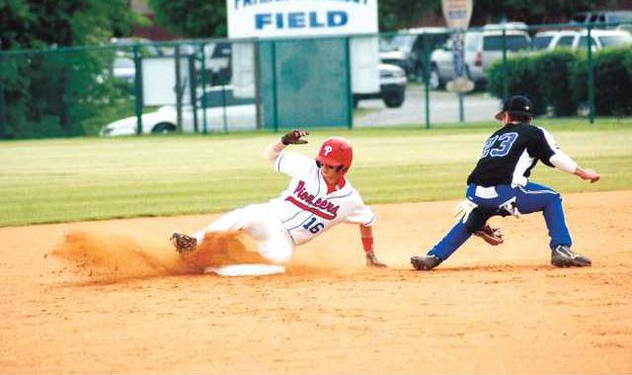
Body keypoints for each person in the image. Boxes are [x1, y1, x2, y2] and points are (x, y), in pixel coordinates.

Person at [411, 95, 600, 271]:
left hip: (474, 193)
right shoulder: (535, 132)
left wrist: (481, 218)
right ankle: (561, 248)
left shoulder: (495, 136)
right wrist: (583, 173)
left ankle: (433, 256)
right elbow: (555, 157)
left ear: (507, 116)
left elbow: (490, 168)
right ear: (529, 117)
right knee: (552, 198)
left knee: (472, 219)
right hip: (506, 193)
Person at [171, 129, 387, 272]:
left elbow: (367, 222)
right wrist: (283, 142)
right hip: (270, 217)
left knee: (277, 266)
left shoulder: (350, 200)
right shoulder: (307, 168)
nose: (324, 168)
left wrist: (370, 255)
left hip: (286, 240)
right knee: (246, 214)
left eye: (331, 165)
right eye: (322, 162)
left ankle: (215, 264)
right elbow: (269, 156)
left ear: (344, 168)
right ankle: (193, 242)